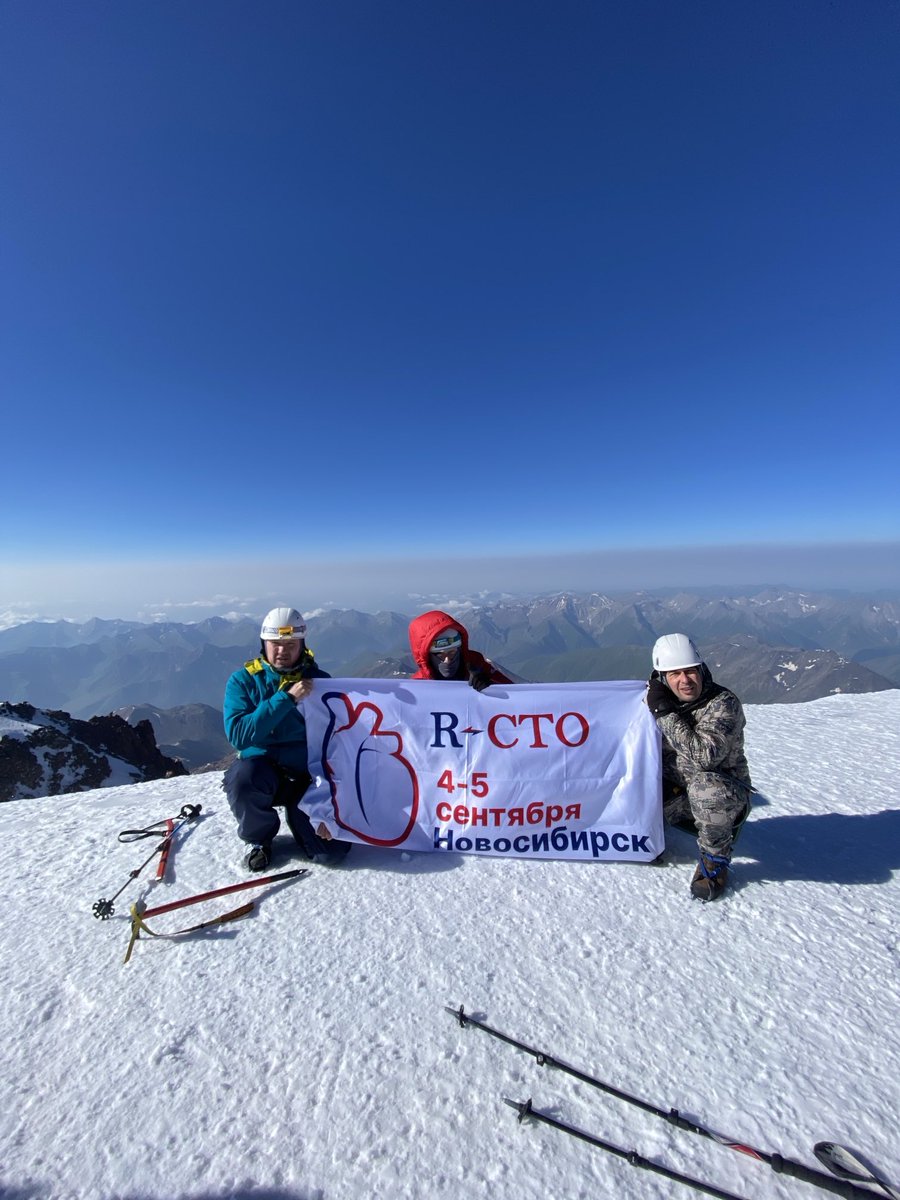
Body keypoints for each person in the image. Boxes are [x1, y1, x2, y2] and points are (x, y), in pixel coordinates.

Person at [223, 606, 351, 871]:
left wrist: (329, 806)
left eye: (290, 644)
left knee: (332, 854)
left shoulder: (320, 683)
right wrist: (287, 698)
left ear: (302, 646)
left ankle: (300, 815)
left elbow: (337, 742)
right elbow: (239, 735)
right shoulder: (244, 681)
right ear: (264, 645)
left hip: (307, 777)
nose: (282, 651)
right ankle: (258, 839)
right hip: (262, 771)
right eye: (275, 644)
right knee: (244, 777)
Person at [646, 633, 752, 901]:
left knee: (706, 789)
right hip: (675, 788)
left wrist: (665, 714)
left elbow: (705, 757)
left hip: (722, 792)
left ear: (701, 669)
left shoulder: (722, 704)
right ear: (662, 678)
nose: (685, 680)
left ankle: (714, 861)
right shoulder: (659, 701)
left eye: (690, 671)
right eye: (674, 674)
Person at [408, 610, 514, 689]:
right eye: (440, 655)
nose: (447, 660)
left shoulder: (479, 668)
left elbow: (518, 696)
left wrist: (493, 686)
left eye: (452, 652)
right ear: (427, 656)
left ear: (459, 649)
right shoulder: (417, 687)